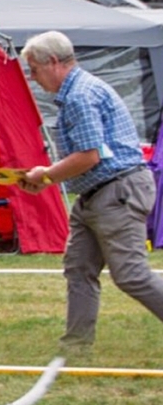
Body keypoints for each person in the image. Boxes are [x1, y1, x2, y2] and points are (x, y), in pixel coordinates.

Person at [18, 30, 163, 350]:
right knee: (79, 268)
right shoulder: (78, 92)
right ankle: (76, 345)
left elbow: (88, 156)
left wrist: (45, 177)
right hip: (96, 195)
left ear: (53, 62)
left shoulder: (80, 96)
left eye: (34, 69)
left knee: (131, 275)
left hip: (117, 191)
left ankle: (77, 343)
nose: (33, 77)